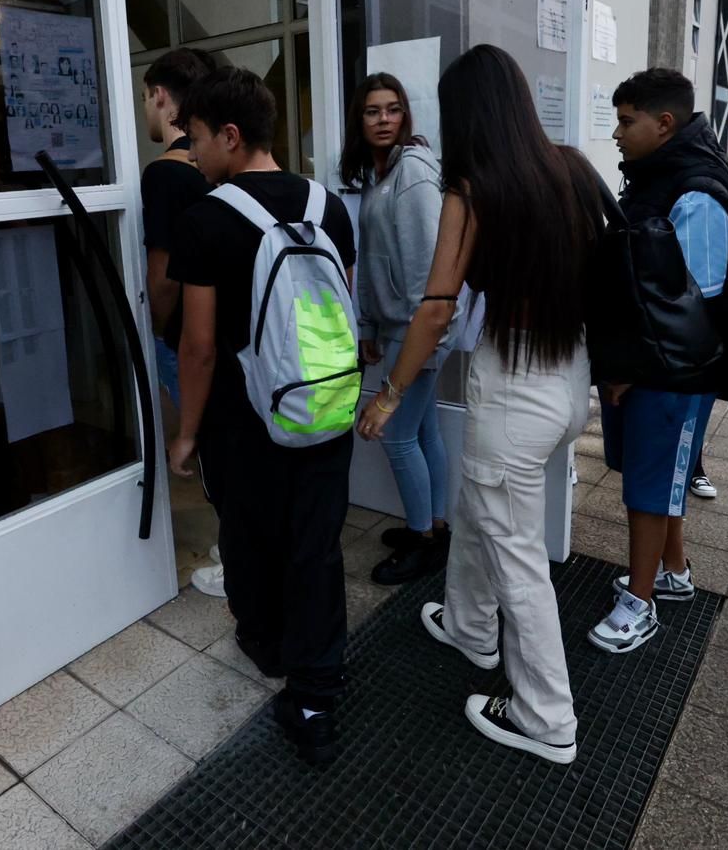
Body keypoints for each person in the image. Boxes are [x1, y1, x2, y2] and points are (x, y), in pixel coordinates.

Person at [357, 45, 603, 765]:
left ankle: (547, 717)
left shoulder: (474, 187)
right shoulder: (570, 168)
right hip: (566, 378)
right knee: (477, 502)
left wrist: (390, 394)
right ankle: (469, 626)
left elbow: (435, 310)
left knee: (516, 556)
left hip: (516, 386)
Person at [167, 67, 358, 763]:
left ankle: (269, 644)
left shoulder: (205, 220)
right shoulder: (329, 207)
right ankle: (317, 681)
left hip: (245, 419)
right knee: (315, 542)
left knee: (250, 535)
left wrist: (186, 433)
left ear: (230, 135)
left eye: (194, 138)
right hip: (327, 401)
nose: (190, 152)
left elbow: (198, 345)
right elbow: (342, 308)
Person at [590, 68, 728, 654]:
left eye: (627, 122)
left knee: (650, 489)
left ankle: (640, 605)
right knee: (652, 479)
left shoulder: (695, 192)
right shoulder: (655, 178)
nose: (618, 134)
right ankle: (672, 573)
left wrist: (632, 368)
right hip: (644, 368)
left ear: (665, 123)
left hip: (674, 375)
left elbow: (695, 305)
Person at [340, 72, 459, 585]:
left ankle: (422, 541)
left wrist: (420, 342)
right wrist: (367, 321)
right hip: (394, 327)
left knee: (396, 436)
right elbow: (371, 261)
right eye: (372, 111)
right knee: (424, 430)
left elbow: (424, 271)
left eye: (392, 109)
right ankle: (433, 525)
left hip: (415, 331)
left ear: (405, 115)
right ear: (359, 119)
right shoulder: (380, 173)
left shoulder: (411, 171)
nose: (383, 119)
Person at [138, 48, 224, 597]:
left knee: (209, 446)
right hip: (230, 329)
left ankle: (240, 558)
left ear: (162, 97)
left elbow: (164, 277)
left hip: (188, 334)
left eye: (147, 97)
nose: (147, 108)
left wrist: (158, 325)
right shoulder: (218, 170)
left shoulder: (165, 175)